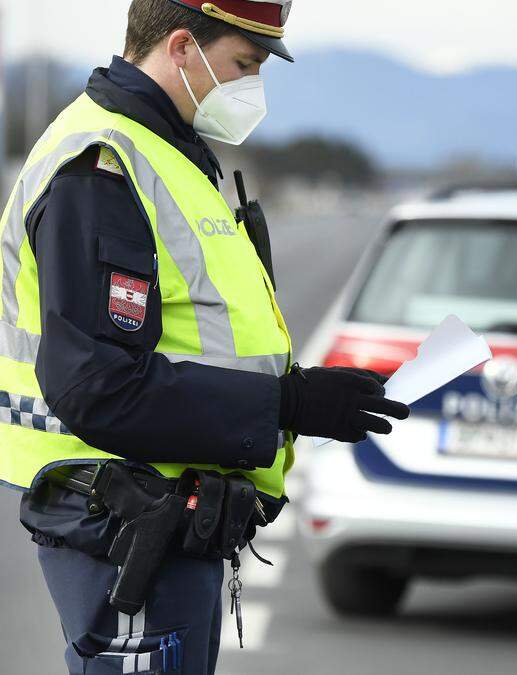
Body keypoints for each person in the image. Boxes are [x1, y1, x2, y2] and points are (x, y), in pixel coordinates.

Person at [0, 1, 409, 673]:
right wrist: (286, 405)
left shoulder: (169, 152)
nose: (253, 88)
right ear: (183, 46)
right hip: (124, 530)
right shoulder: (102, 166)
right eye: (245, 64)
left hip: (161, 523)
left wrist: (296, 396)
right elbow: (98, 384)